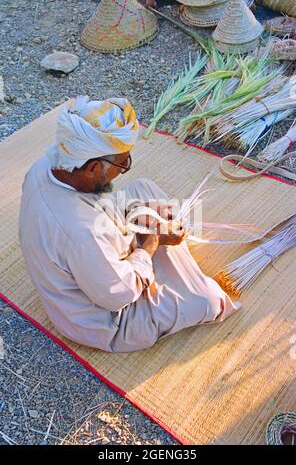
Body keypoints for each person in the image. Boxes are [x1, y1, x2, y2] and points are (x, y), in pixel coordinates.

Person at [19, 96, 240, 353]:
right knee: (208, 301)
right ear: (91, 168)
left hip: (92, 257)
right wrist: (152, 242)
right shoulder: (82, 233)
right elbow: (118, 296)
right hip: (107, 320)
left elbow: (95, 208)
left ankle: (171, 263)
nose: (125, 166)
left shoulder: (47, 166)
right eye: (121, 162)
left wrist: (140, 223)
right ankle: (177, 268)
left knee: (143, 189)